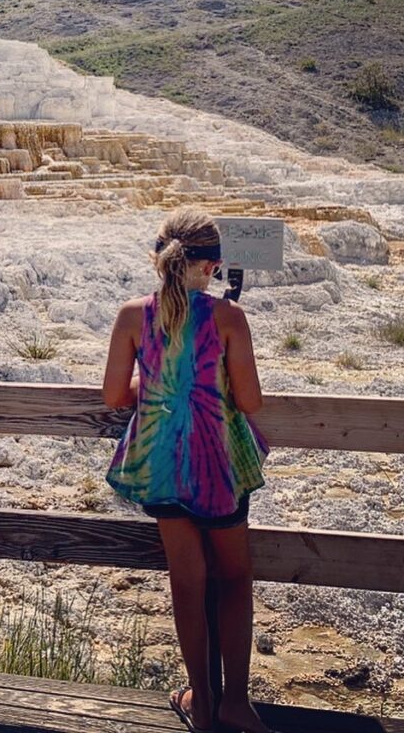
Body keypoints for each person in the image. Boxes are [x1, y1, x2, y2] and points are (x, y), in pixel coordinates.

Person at [101, 207, 269, 733]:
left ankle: (200, 700)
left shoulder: (133, 315)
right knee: (235, 578)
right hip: (219, 465)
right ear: (213, 266)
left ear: (159, 259)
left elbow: (112, 395)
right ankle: (235, 703)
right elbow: (250, 400)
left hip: (161, 463)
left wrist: (158, 389)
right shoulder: (228, 318)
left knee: (187, 581)